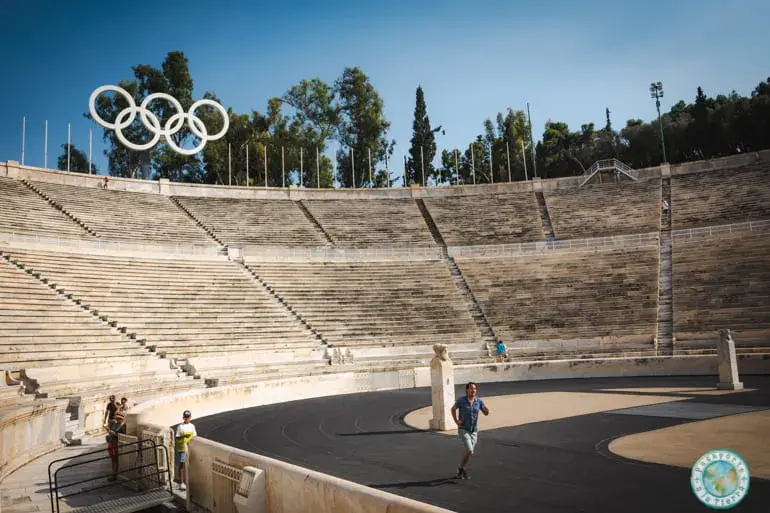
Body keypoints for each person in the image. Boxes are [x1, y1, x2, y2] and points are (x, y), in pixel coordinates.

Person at [451, 382, 489, 479]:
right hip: (463, 429)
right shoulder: (461, 400)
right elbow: (453, 409)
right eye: (471, 388)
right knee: (469, 449)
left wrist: (486, 410)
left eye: (475, 388)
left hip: (474, 430)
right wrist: (456, 421)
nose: (473, 390)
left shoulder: (478, 401)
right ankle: (461, 468)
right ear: (467, 390)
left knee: (470, 451)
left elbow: (485, 412)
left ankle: (461, 468)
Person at [175, 410, 197, 491]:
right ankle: (181, 483)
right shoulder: (180, 427)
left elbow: (195, 436)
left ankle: (190, 482)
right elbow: (177, 437)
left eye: (188, 417)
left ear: (190, 418)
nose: (187, 418)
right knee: (182, 464)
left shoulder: (192, 426)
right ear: (183, 418)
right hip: (182, 449)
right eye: (185, 417)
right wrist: (184, 436)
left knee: (191, 464)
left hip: (190, 448)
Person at [105, 410, 126, 481]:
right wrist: (109, 431)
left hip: (116, 445)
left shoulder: (122, 426)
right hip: (111, 444)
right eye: (117, 418)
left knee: (115, 461)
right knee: (113, 460)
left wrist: (111, 432)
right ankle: (113, 473)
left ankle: (115, 475)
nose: (117, 419)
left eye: (118, 418)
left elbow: (121, 436)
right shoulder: (115, 424)